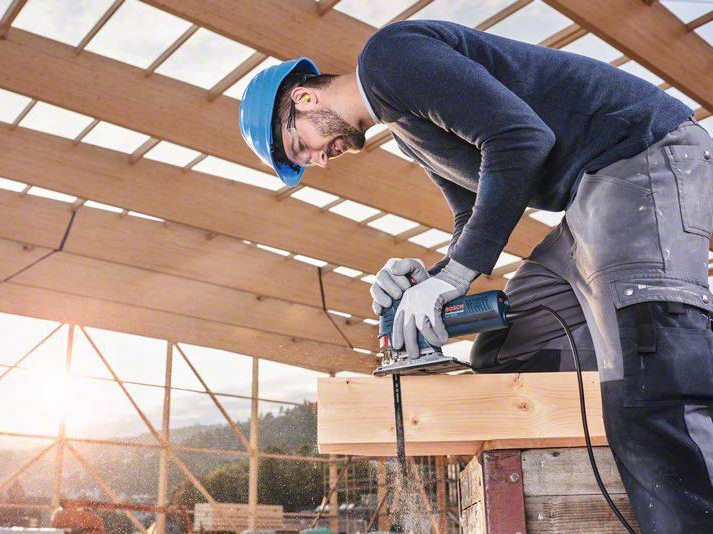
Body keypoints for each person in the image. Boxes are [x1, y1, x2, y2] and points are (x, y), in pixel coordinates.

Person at [237, 19, 713, 532]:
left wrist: (454, 276)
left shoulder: (387, 60)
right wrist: (430, 283)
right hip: (587, 202)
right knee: (505, 351)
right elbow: (471, 215)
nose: (318, 161)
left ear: (304, 99)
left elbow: (520, 139)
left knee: (652, 385)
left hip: (642, 157)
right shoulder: (405, 131)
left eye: (299, 148)